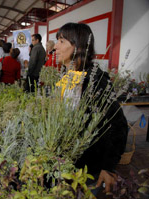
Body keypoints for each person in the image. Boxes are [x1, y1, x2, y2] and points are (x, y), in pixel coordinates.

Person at [54, 22, 128, 194]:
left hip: (89, 170)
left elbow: (118, 125)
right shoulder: (67, 77)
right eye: (57, 41)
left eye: (62, 41)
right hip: (66, 163)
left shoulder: (95, 83)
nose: (55, 47)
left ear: (78, 46)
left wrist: (108, 167)